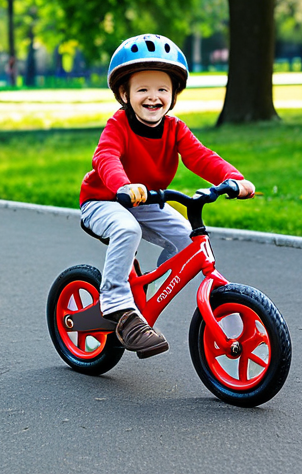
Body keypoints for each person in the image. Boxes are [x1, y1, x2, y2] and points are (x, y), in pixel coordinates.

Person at [79, 34, 255, 359]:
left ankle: (143, 289)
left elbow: (201, 156)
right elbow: (106, 156)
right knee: (127, 230)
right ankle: (118, 306)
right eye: (142, 89)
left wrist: (233, 179)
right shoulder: (119, 124)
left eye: (162, 89)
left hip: (146, 200)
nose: (153, 97)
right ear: (124, 93)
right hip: (104, 199)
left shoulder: (175, 129)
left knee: (188, 240)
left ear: (173, 94)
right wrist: (121, 184)